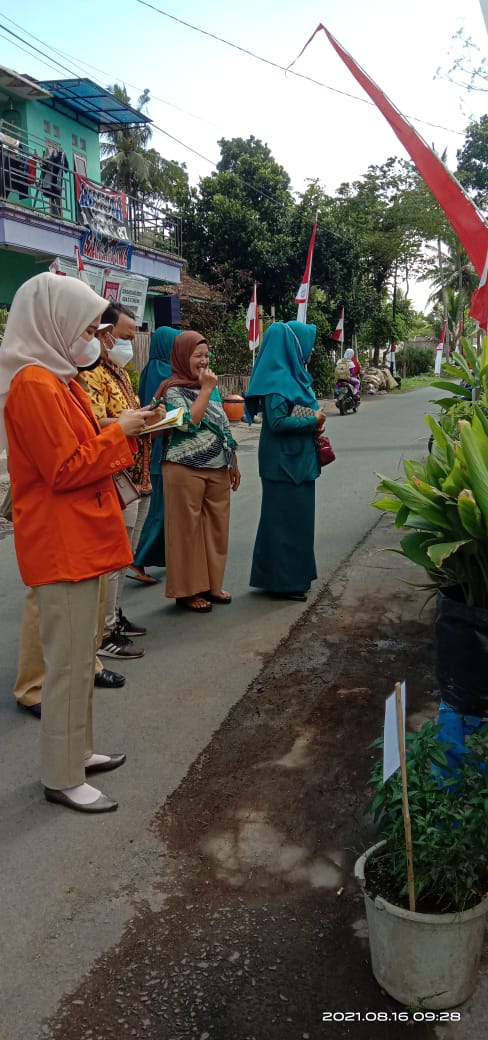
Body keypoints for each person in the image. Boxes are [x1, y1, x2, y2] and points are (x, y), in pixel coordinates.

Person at [0, 272, 154, 812]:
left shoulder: (58, 379)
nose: (95, 336)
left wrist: (121, 427)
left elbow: (79, 448)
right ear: (55, 323)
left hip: (79, 537)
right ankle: (62, 776)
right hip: (61, 542)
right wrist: (123, 433)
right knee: (65, 665)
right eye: (89, 326)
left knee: (79, 655)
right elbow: (64, 469)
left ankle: (78, 750)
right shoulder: (34, 385)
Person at [83, 303, 165, 658]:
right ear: (104, 334)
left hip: (138, 472)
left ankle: (113, 616)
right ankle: (103, 631)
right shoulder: (91, 374)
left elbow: (126, 415)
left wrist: (149, 416)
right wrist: (127, 422)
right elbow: (91, 424)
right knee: (114, 557)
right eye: (125, 336)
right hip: (116, 476)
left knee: (125, 552)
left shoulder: (120, 373)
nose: (130, 344)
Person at [158, 330, 241, 612]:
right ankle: (187, 591)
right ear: (183, 357)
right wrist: (205, 390)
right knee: (186, 532)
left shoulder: (212, 386)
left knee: (217, 529)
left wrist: (233, 460)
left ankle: (213, 585)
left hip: (217, 465)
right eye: (197, 356)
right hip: (184, 468)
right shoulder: (171, 390)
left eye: (206, 355)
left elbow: (223, 424)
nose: (204, 361)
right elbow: (187, 424)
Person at [245, 320, 325, 602]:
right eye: (308, 344)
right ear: (293, 346)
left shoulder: (293, 376)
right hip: (283, 465)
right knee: (285, 524)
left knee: (293, 523)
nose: (311, 350)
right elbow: (277, 422)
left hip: (295, 462)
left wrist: (313, 422)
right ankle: (284, 583)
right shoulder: (278, 381)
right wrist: (311, 420)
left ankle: (282, 578)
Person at [130, 325, 179, 584]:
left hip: (153, 444)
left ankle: (163, 557)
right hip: (162, 447)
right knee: (160, 509)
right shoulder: (165, 372)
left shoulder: (150, 368)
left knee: (164, 508)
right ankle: (138, 561)